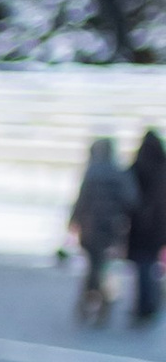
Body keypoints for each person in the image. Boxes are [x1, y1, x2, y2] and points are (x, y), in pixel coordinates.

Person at [71, 135, 132, 325]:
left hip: (91, 227)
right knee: (104, 267)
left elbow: (81, 201)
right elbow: (131, 200)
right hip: (112, 227)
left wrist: (74, 221)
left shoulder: (92, 172)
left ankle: (90, 299)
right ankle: (102, 301)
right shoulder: (119, 173)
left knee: (94, 266)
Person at [125, 131, 166, 327]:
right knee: (151, 266)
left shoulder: (137, 167)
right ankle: (150, 303)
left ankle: (145, 305)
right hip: (159, 227)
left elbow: (127, 195)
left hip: (141, 227)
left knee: (143, 267)